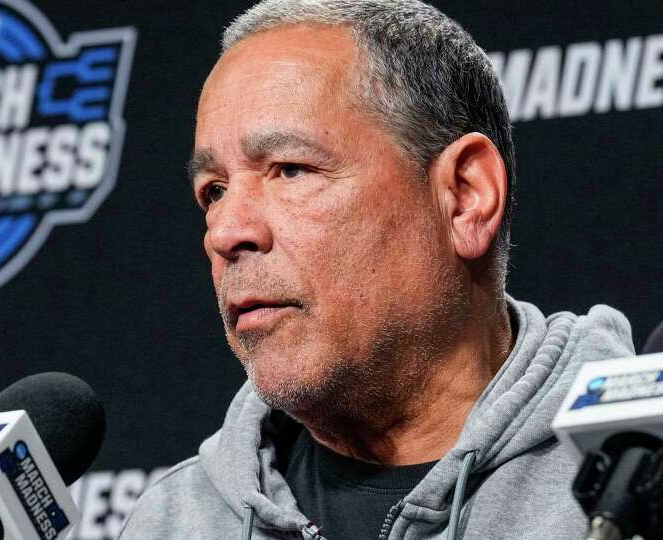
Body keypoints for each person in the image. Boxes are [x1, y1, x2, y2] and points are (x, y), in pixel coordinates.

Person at [119, 1, 635, 539]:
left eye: (291, 170)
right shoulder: (173, 523)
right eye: (214, 191)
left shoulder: (640, 483)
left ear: (465, 198)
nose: (224, 233)